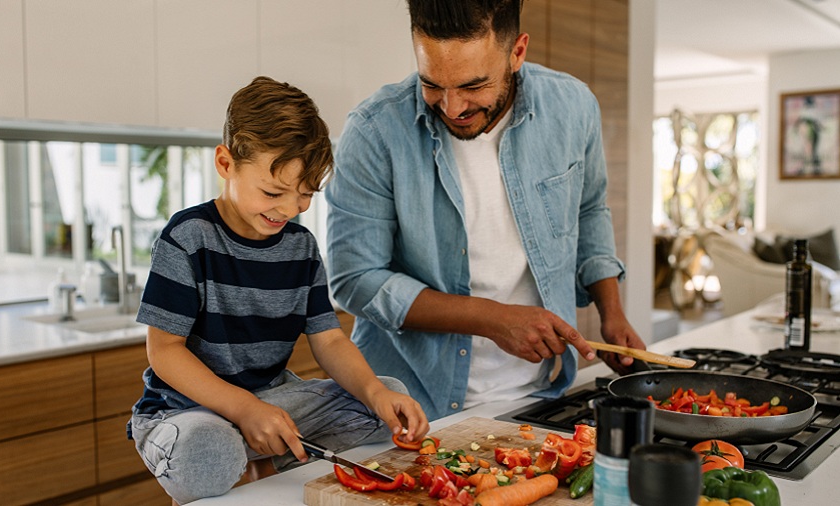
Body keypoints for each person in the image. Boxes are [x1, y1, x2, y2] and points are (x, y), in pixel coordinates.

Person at [325, 0, 646, 421]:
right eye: (432, 84)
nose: (452, 107)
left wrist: (612, 311)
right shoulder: (374, 131)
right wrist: (492, 319)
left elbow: (588, 210)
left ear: (517, 52)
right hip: (407, 407)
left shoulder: (573, 108)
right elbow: (354, 281)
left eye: (473, 86)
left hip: (538, 397)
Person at [128, 76, 429, 505]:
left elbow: (328, 339)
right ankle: (245, 457)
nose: (289, 210)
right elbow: (164, 351)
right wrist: (244, 410)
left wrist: (376, 393)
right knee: (208, 450)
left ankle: (259, 457)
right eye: (273, 192)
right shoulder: (188, 237)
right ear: (226, 164)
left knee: (383, 399)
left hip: (270, 400)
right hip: (186, 411)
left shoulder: (300, 246)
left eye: (305, 195)